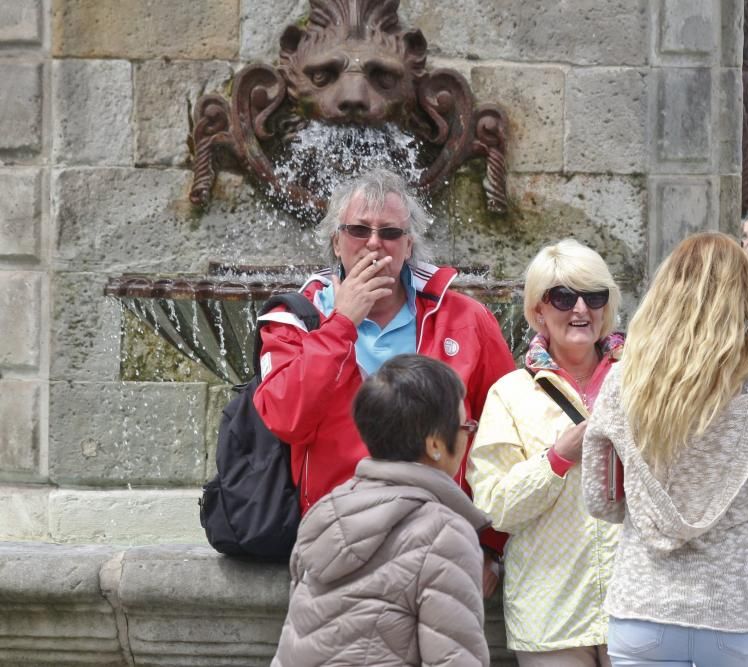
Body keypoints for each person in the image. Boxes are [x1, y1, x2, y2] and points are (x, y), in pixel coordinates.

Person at [253, 169, 515, 592]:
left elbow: (509, 438)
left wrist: (490, 544)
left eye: (390, 232)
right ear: (336, 241)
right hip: (339, 538)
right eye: (358, 230)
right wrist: (342, 324)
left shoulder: (466, 319)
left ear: (408, 246)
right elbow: (286, 419)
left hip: (441, 539)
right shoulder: (292, 322)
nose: (374, 243)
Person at [582, 232, 748, 667]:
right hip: (736, 615)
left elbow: (600, 501)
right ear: (746, 302)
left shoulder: (622, 386)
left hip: (643, 608)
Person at [271, 355, 491, 667]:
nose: (468, 434)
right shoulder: (444, 532)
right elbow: (454, 658)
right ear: (435, 445)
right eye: (465, 425)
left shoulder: (327, 511)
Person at [468, 239, 624, 666]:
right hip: (549, 620)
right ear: (538, 310)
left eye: (593, 297)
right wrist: (557, 458)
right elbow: (495, 507)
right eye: (562, 297)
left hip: (637, 610)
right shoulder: (509, 393)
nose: (580, 309)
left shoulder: (640, 382)